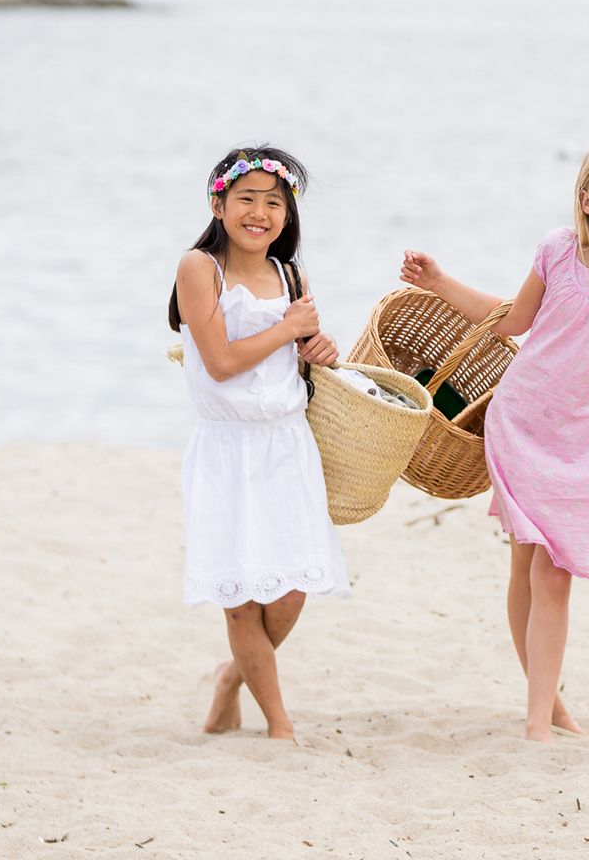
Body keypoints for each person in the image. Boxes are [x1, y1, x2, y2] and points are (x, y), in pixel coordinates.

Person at [400, 138, 589, 741]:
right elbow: (512, 320)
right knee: (538, 567)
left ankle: (546, 703)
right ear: (585, 198)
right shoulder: (558, 252)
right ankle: (542, 717)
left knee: (547, 567)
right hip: (527, 421)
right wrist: (439, 283)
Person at [167, 145, 344, 742]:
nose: (260, 213)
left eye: (275, 202)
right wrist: (288, 330)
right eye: (247, 199)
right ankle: (280, 724)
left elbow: (301, 353)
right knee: (241, 596)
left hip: (287, 446)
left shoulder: (289, 274)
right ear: (219, 203)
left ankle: (231, 678)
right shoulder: (199, 268)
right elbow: (218, 363)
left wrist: (317, 346)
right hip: (227, 448)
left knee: (290, 591)